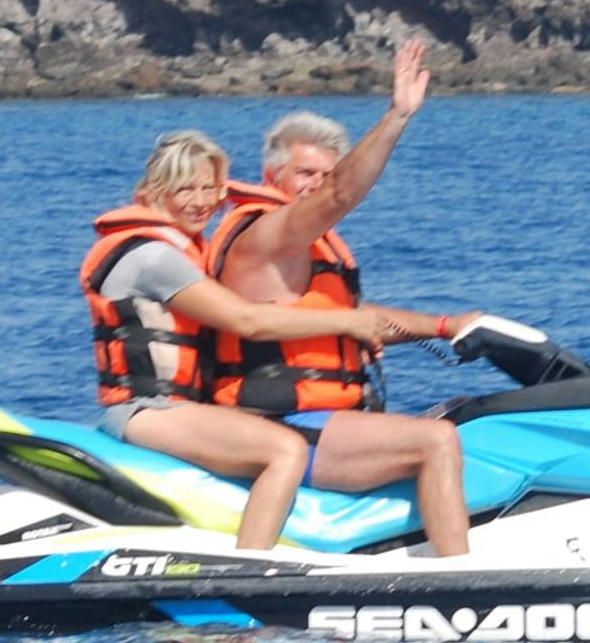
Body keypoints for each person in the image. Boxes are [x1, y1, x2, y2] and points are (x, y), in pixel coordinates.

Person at [83, 128, 450, 552]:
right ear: (155, 191)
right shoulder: (154, 257)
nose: (201, 201)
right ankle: (251, 568)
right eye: (186, 189)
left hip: (174, 409)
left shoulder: (184, 251)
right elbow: (247, 321)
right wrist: (347, 322)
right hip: (145, 409)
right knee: (284, 449)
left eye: (209, 188)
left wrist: (445, 326)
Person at [201, 40, 481, 557]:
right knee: (435, 440)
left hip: (324, 420)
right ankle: (462, 584)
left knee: (470, 420)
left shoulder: (310, 248)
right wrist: (397, 116)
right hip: (279, 425)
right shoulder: (264, 235)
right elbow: (342, 196)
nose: (317, 186)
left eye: (326, 174)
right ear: (272, 178)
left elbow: (352, 320)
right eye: (304, 174)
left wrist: (447, 325)